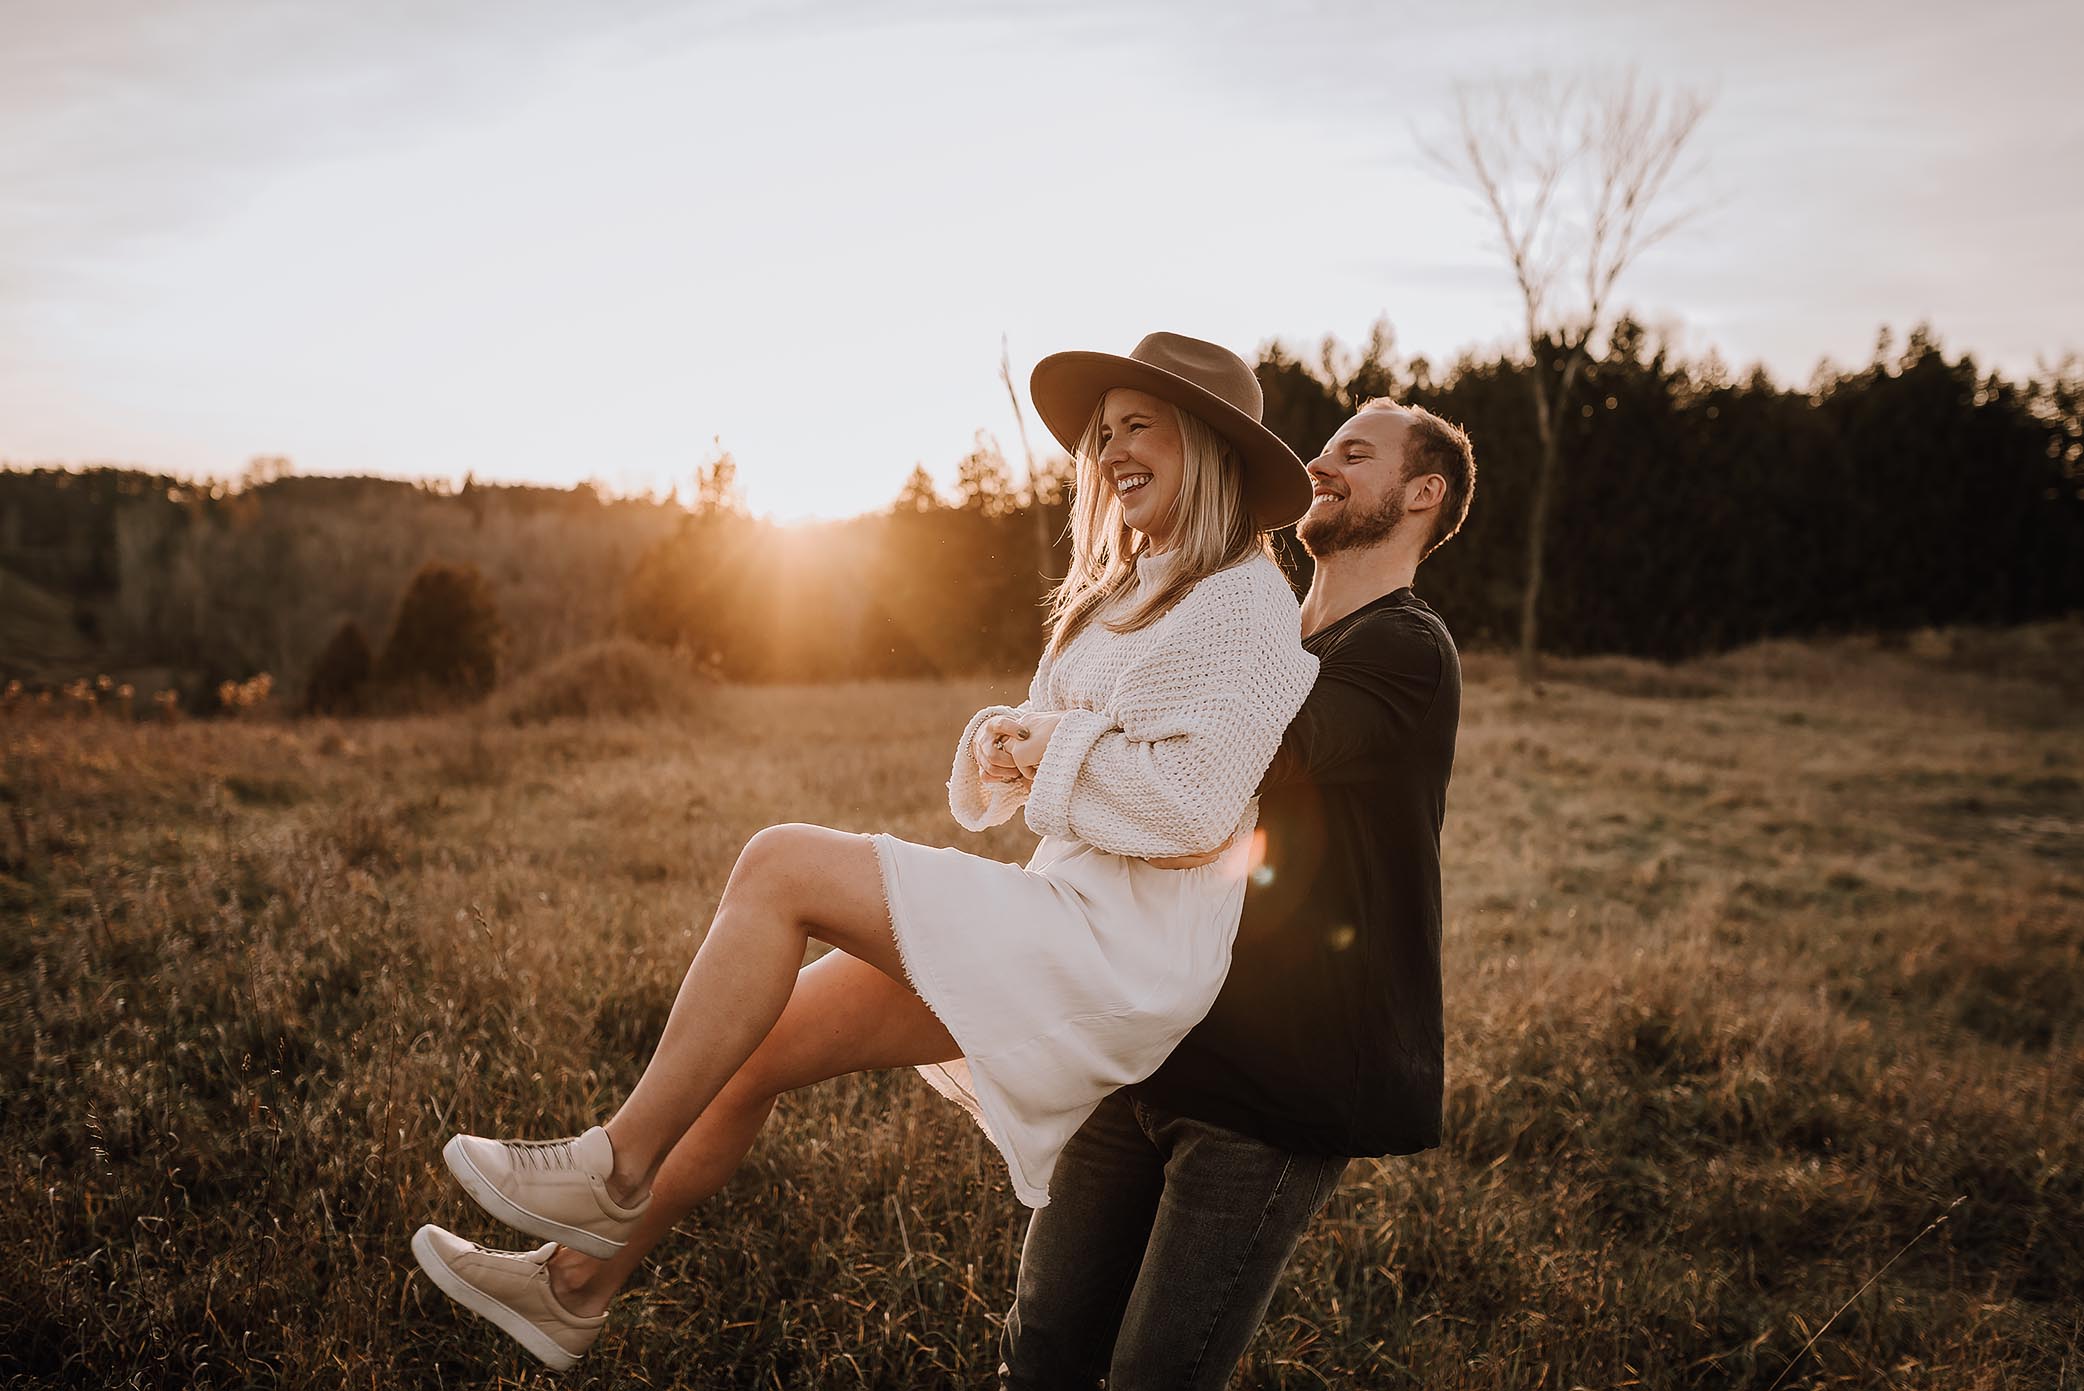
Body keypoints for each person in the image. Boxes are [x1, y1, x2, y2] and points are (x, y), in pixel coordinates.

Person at [408, 333, 1321, 1371]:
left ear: (1202, 443)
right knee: (746, 1050)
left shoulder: (1244, 603)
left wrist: (1053, 748)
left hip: (1124, 949)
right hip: (1062, 912)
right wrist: (1008, 738)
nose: (1108, 451)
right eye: (1100, 433)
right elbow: (1068, 749)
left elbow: (1193, 808)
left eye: (1135, 427)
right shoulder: (1125, 586)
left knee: (781, 862)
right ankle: (570, 1287)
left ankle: (610, 1163)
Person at [996, 396, 1477, 1390]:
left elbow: (1249, 758)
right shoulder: (1254, 632)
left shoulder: (1402, 647)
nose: (1319, 461)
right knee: (1040, 1342)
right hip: (1150, 1028)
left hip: (1276, 1078)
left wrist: (1070, 728)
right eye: (1322, 445)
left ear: (1421, 494)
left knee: (1155, 1373)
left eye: (1354, 451)